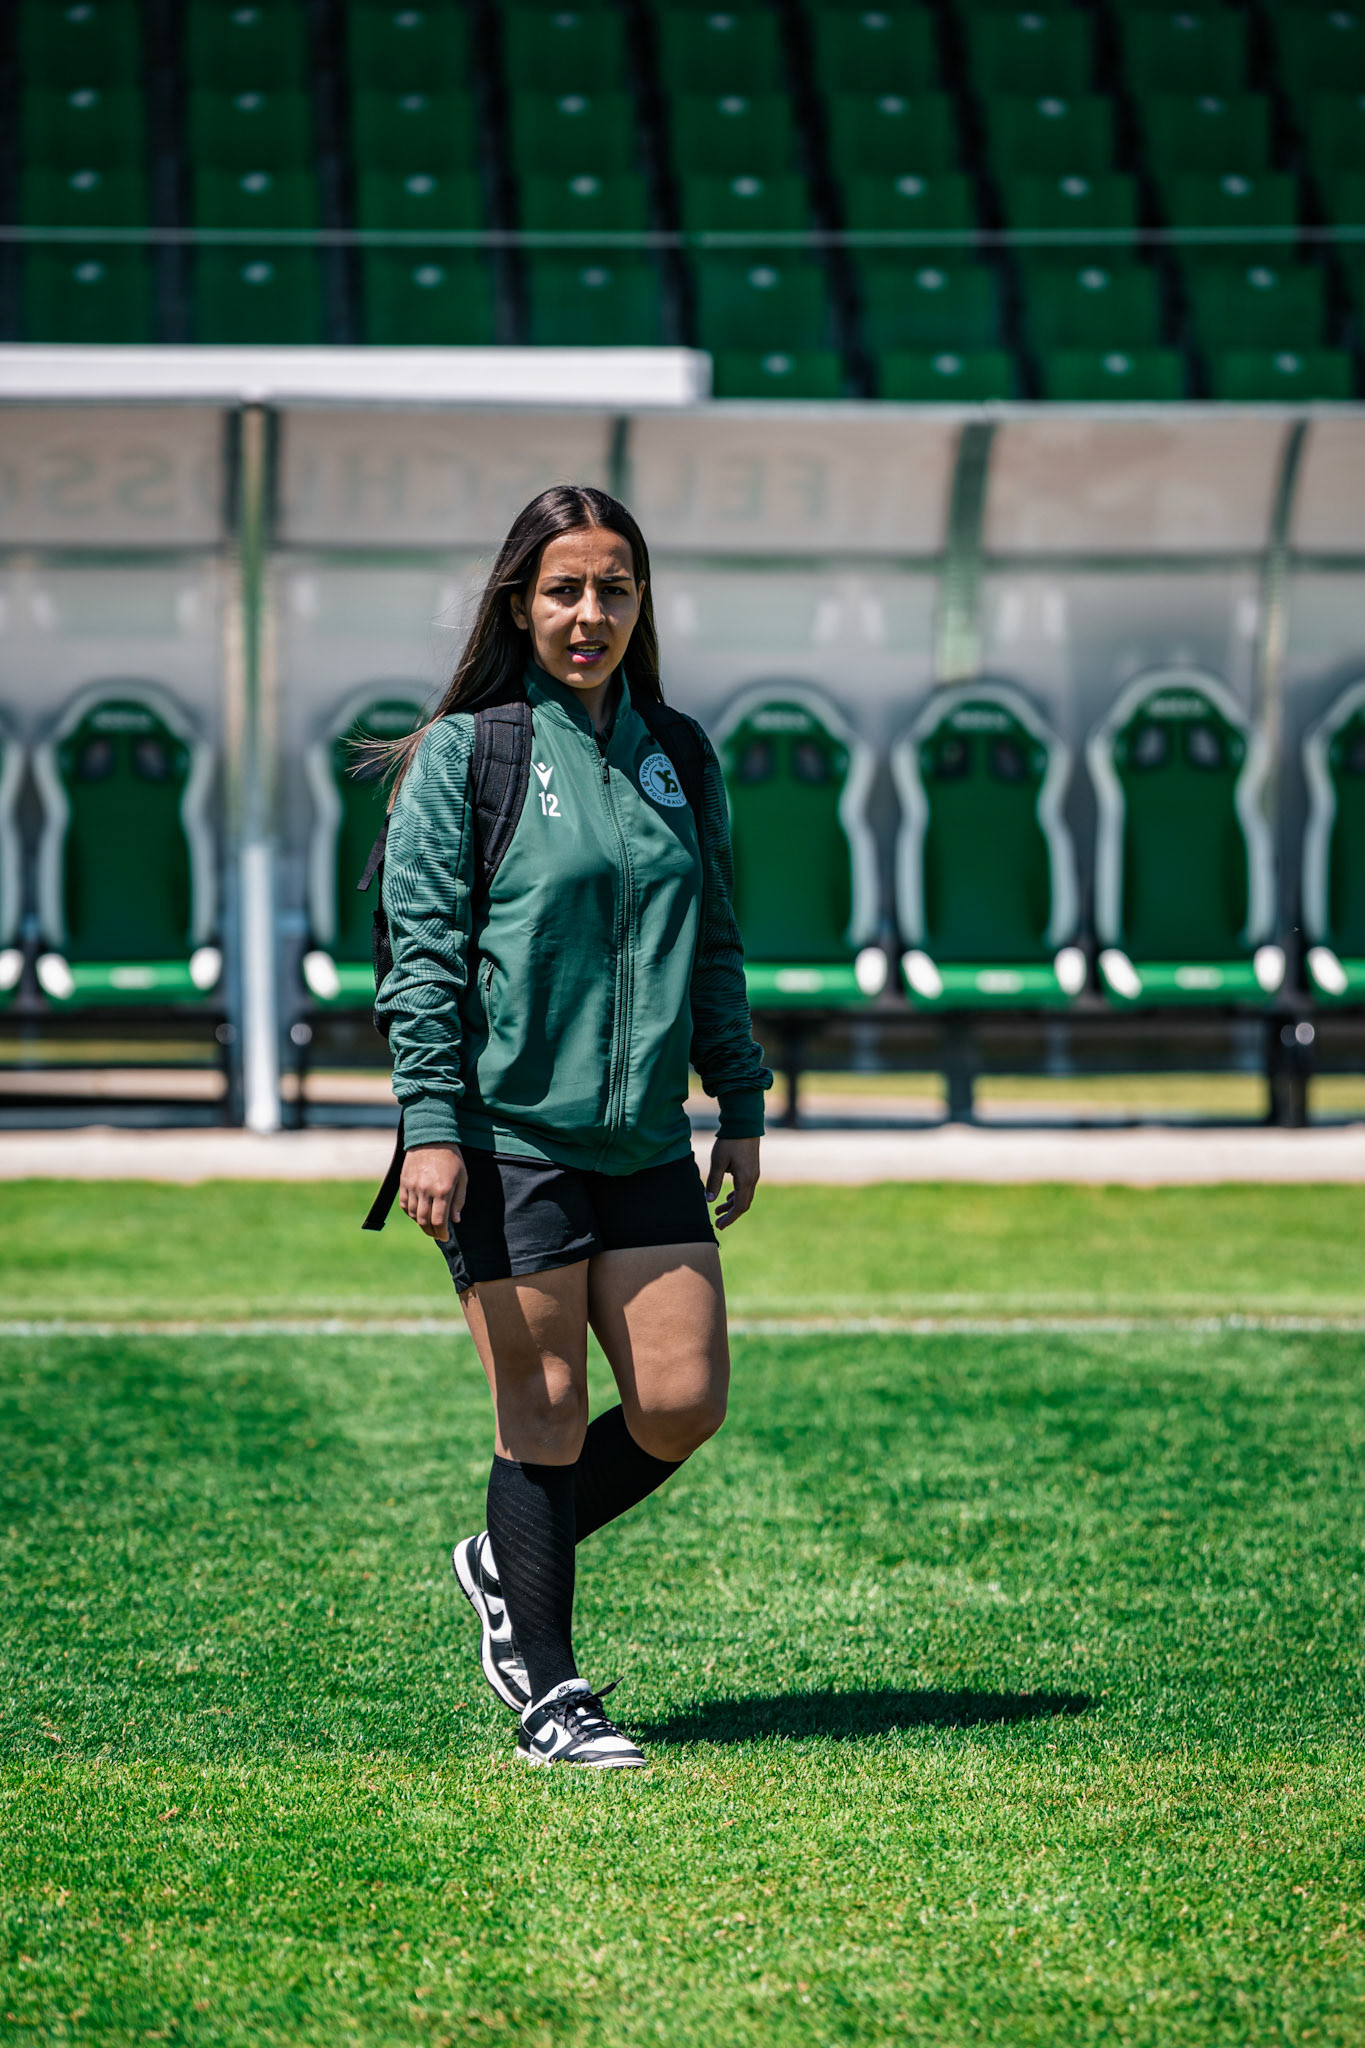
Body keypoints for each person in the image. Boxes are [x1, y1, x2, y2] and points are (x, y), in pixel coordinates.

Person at [376, 484, 771, 1769]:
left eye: (612, 588)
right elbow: (422, 953)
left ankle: (504, 1558)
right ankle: (551, 1687)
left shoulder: (680, 751)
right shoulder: (468, 753)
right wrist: (432, 1123)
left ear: (640, 602)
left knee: (681, 1400)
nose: (588, 613)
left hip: (647, 1136)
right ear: (520, 602)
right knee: (541, 1408)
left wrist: (742, 1099)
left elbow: (715, 940)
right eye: (563, 590)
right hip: (507, 1135)